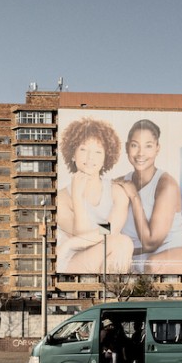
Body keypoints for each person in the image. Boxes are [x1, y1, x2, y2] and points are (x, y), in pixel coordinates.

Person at [115, 119, 182, 274]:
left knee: (153, 264)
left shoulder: (166, 185)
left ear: (157, 149)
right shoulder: (120, 184)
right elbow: (104, 225)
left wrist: (135, 198)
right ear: (126, 147)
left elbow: (150, 243)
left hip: (181, 257)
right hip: (140, 261)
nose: (140, 153)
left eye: (148, 146)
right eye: (135, 145)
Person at [56, 117, 134, 274]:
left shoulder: (117, 192)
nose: (90, 158)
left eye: (98, 152)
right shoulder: (62, 198)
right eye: (83, 150)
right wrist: (77, 198)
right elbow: (83, 237)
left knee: (123, 242)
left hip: (92, 250)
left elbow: (112, 231)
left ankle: (112, 294)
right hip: (70, 261)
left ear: (106, 157)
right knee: (121, 242)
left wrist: (70, 243)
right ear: (73, 153)